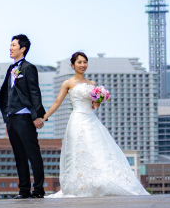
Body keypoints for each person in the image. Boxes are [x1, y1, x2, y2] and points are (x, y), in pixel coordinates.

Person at [43, 51, 149, 197]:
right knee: (77, 152)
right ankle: (78, 186)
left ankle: (99, 182)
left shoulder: (91, 84)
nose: (82, 65)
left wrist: (99, 99)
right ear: (73, 65)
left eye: (85, 62)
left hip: (91, 119)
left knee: (98, 150)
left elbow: (94, 106)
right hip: (77, 120)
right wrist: (44, 117)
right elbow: (57, 102)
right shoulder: (68, 83)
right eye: (79, 62)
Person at [0, 34, 46, 199]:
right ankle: (24, 190)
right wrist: (6, 118)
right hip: (12, 118)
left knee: (33, 154)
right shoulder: (10, 69)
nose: (10, 48)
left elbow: (35, 92)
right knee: (19, 155)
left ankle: (38, 190)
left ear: (22, 48)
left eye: (13, 45)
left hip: (25, 117)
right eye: (10, 45)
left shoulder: (28, 68)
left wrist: (38, 115)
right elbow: (7, 94)